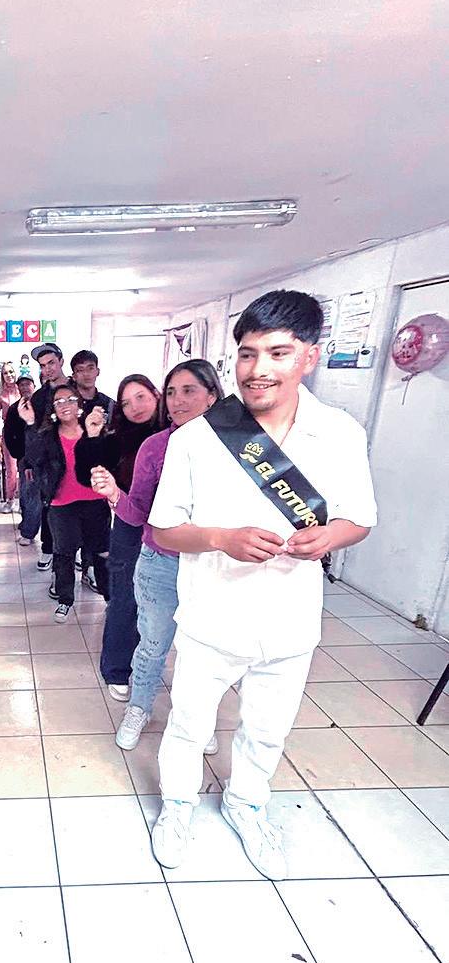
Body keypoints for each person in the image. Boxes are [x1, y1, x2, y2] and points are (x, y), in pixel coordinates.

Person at [146, 291, 377, 879]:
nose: (259, 369)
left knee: (267, 730)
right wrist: (220, 538)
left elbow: (359, 518)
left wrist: (330, 537)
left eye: (278, 353)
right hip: (211, 618)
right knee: (188, 725)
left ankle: (247, 805)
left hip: (289, 622)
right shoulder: (198, 437)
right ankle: (177, 806)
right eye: (247, 354)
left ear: (310, 356)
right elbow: (164, 530)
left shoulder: (340, 433)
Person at [92, 362, 223, 752]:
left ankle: (196, 719)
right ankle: (140, 706)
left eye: (189, 390)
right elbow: (137, 514)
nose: (178, 400)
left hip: (214, 564)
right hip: (161, 562)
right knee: (152, 643)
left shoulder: (235, 447)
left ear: (212, 396)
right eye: (172, 392)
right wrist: (115, 494)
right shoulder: (156, 446)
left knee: (203, 650)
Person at [75, 374, 163, 700]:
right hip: (130, 525)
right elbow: (87, 474)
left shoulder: (178, 435)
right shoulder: (119, 437)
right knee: (125, 597)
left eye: (140, 397)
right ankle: (117, 669)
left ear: (156, 395)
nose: (134, 407)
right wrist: (92, 434)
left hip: (178, 528)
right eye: (125, 403)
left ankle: (153, 660)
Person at [20, 381, 109, 622]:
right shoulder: (47, 436)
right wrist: (30, 422)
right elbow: (34, 457)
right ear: (53, 409)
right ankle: (65, 600)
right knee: (64, 553)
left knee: (101, 551)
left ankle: (109, 597)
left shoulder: (93, 428)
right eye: (58, 402)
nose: (64, 405)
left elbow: (107, 458)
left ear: (79, 404)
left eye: (70, 399)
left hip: (95, 500)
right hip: (61, 503)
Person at [29, 344, 72, 570]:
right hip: (49, 461)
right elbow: (33, 431)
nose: (48, 369)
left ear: (61, 361)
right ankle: (48, 548)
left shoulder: (76, 389)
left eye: (51, 363)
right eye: (43, 366)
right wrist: (30, 462)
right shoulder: (39, 397)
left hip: (76, 455)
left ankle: (81, 557)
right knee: (49, 505)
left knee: (80, 507)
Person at [2, 376, 40, 546]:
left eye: (27, 384)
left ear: (34, 386)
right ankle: (27, 527)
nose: (25, 387)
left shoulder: (41, 405)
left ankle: (31, 529)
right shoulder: (13, 409)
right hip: (25, 458)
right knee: (27, 492)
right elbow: (8, 434)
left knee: (38, 495)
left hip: (44, 457)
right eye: (21, 385)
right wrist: (18, 454)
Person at [0, 362, 20, 512]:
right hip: (8, 433)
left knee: (27, 468)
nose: (9, 375)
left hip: (25, 432)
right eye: (5, 373)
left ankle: (25, 501)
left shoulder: (22, 388)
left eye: (11, 372)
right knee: (11, 469)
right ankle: (10, 500)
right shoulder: (0, 391)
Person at [70, 348, 115, 419]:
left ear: (98, 371)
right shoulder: (68, 403)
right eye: (80, 370)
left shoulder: (109, 404)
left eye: (90, 368)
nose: (86, 374)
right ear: (74, 376)